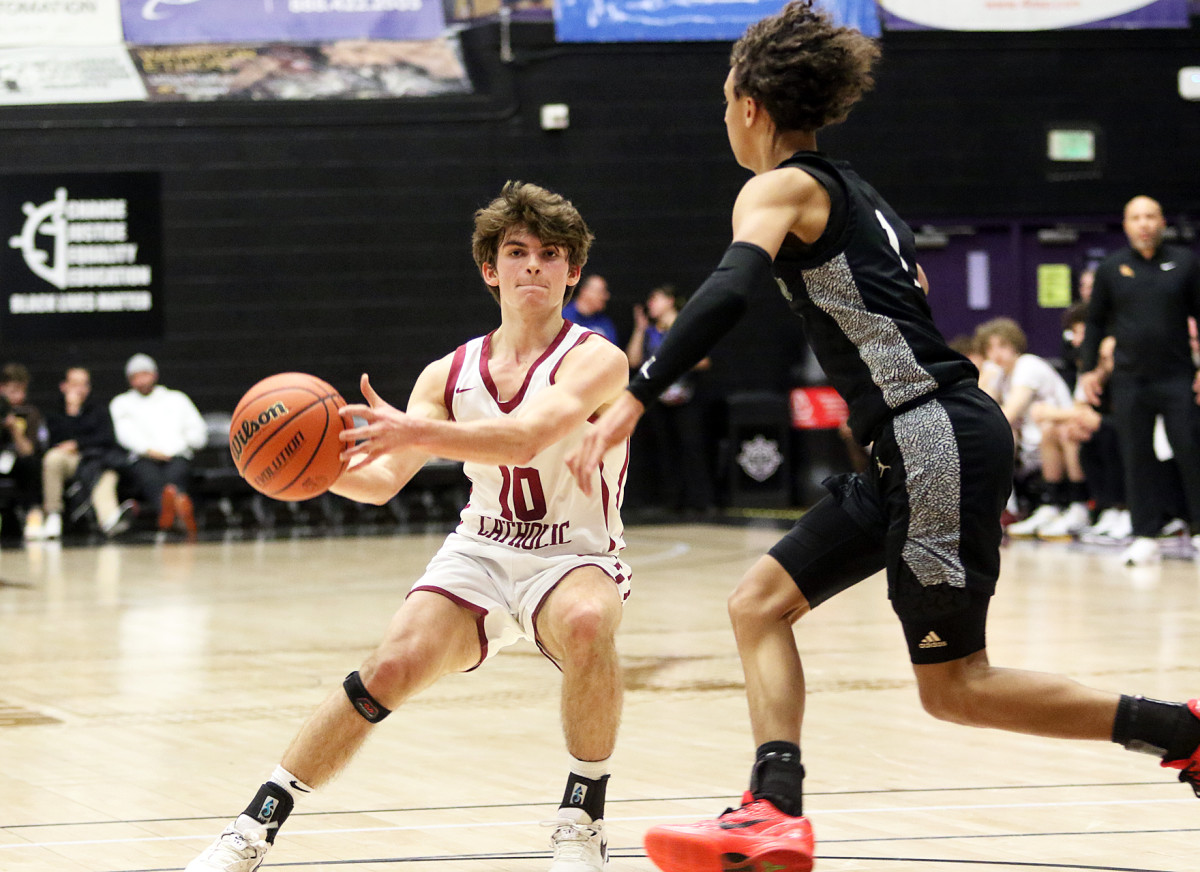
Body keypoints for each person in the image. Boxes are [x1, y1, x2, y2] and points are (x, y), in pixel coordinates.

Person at [566, 5, 1200, 870]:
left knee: (956, 689)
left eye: (724, 102)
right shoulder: (861, 195)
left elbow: (727, 288)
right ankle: (772, 808)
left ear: (751, 104)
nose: (723, 120)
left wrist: (640, 391)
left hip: (931, 436)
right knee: (758, 604)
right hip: (914, 444)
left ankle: (1183, 733)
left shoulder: (780, 185)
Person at [185, 181, 632, 872]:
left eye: (551, 254)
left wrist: (413, 427)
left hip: (574, 554)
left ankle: (581, 818)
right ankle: (251, 829)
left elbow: (520, 438)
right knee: (387, 668)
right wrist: (296, 469)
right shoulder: (449, 372)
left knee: (584, 623)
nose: (534, 266)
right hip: (482, 549)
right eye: (518, 252)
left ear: (573, 270)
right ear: (492, 270)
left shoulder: (596, 359)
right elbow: (381, 483)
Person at [1078, 195, 1200, 566]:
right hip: (1130, 379)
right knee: (1136, 456)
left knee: (1190, 450)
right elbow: (1095, 321)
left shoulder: (1185, 263)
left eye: (1151, 216)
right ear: (1126, 224)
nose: (1144, 223)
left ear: (1162, 222)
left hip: (1177, 376)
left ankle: (1197, 530)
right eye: (1136, 217)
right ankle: (1144, 533)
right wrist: (1086, 371)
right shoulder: (1113, 269)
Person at [974, 317, 1088, 540]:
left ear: (1015, 345)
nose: (996, 353)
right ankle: (1025, 507)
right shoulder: (1001, 374)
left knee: (1006, 435)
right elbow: (981, 412)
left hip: (1063, 437)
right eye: (990, 348)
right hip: (1033, 448)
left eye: (1003, 346)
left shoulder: (1028, 365)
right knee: (994, 439)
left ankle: (1072, 507)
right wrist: (986, 381)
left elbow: (1007, 415)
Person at [624, 284, 715, 514]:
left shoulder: (684, 326)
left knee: (691, 448)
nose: (650, 304)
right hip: (659, 401)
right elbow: (633, 361)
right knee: (666, 450)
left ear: (670, 301)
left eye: (655, 299)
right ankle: (673, 501)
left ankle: (700, 502)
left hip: (686, 398)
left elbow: (704, 361)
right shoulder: (651, 331)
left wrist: (673, 358)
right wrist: (640, 329)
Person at [29, 366, 135, 540]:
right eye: (74, 384)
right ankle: (54, 514)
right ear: (64, 386)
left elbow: (107, 438)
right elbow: (53, 442)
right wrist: (72, 412)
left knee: (105, 477)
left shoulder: (99, 410)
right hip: (70, 462)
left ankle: (109, 519)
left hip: (97, 460)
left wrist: (78, 444)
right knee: (53, 458)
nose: (79, 389)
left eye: (84, 384)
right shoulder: (54, 413)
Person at [109, 354, 207, 541]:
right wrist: (148, 450)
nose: (141, 380)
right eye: (136, 376)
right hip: (142, 458)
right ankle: (177, 511)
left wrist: (183, 445)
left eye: (145, 374)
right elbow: (124, 434)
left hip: (177, 455)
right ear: (130, 380)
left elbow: (197, 430)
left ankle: (169, 515)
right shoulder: (121, 403)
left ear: (154, 375)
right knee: (150, 479)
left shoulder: (177, 398)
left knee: (175, 476)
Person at [0, 363, 49, 540]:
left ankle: (33, 515)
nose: (19, 396)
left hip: (19, 464)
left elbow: (28, 451)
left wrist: (14, 428)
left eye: (22, 391)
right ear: (2, 388)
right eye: (13, 391)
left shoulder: (30, 413)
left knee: (32, 463)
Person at [562, 273, 619, 343]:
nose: (606, 296)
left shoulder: (605, 323)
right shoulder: (562, 315)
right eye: (601, 292)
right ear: (585, 291)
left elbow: (613, 352)